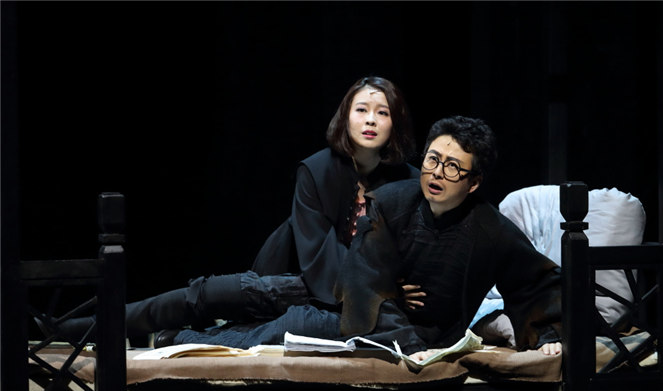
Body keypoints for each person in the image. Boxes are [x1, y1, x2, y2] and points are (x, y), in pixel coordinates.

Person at [39, 76, 419, 345]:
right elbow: (317, 254)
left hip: (348, 306)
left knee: (243, 329)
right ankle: (78, 329)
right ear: (346, 116)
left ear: (395, 122)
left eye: (382, 112)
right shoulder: (317, 170)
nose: (371, 120)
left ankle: (171, 339)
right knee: (202, 295)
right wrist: (375, 286)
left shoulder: (409, 182)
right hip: (302, 278)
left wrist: (386, 289)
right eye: (361, 109)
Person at [170, 116, 562, 359]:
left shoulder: (490, 229)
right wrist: (406, 344)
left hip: (429, 336)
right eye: (433, 159)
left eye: (453, 167)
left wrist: (546, 334)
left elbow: (537, 282)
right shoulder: (393, 201)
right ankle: (178, 339)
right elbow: (366, 278)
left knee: (291, 325)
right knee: (286, 322)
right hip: (372, 321)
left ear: (474, 182)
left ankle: (179, 338)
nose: (437, 173)